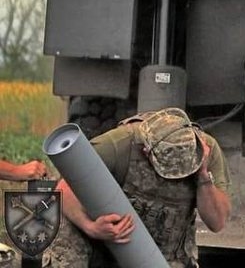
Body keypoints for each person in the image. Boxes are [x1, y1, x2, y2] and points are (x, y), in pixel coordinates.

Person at [51, 106, 231, 268]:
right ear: (146, 151)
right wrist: (91, 227)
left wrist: (203, 175)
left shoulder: (204, 149)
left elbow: (217, 222)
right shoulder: (120, 143)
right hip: (106, 244)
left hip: (164, 254)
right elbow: (64, 188)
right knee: (63, 222)